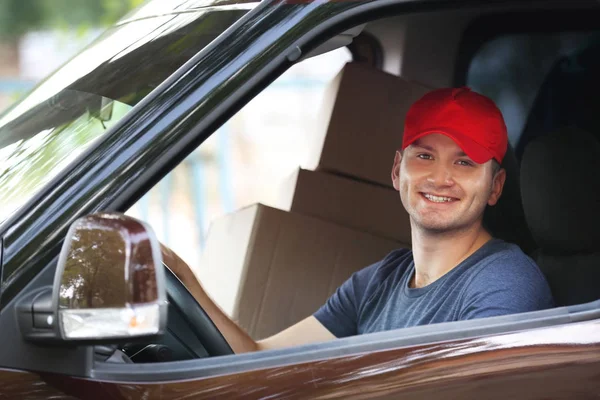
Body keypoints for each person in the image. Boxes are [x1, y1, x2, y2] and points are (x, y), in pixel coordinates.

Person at [163, 86, 554, 353]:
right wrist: (185, 278)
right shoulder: (376, 283)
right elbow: (257, 360)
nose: (439, 177)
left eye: (465, 162)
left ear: (495, 187)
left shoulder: (505, 281)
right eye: (425, 155)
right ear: (397, 170)